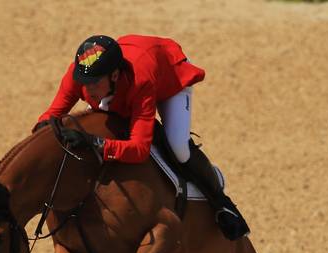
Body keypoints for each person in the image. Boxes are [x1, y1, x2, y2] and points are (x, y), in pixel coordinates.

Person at [35, 34, 250, 240]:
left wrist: (97, 143)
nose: (88, 89)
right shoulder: (80, 75)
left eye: (95, 82)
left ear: (115, 75)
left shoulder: (140, 82)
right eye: (85, 82)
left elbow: (139, 150)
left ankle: (221, 202)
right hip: (134, 65)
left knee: (178, 147)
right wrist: (41, 131)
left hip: (169, 76)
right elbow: (50, 115)